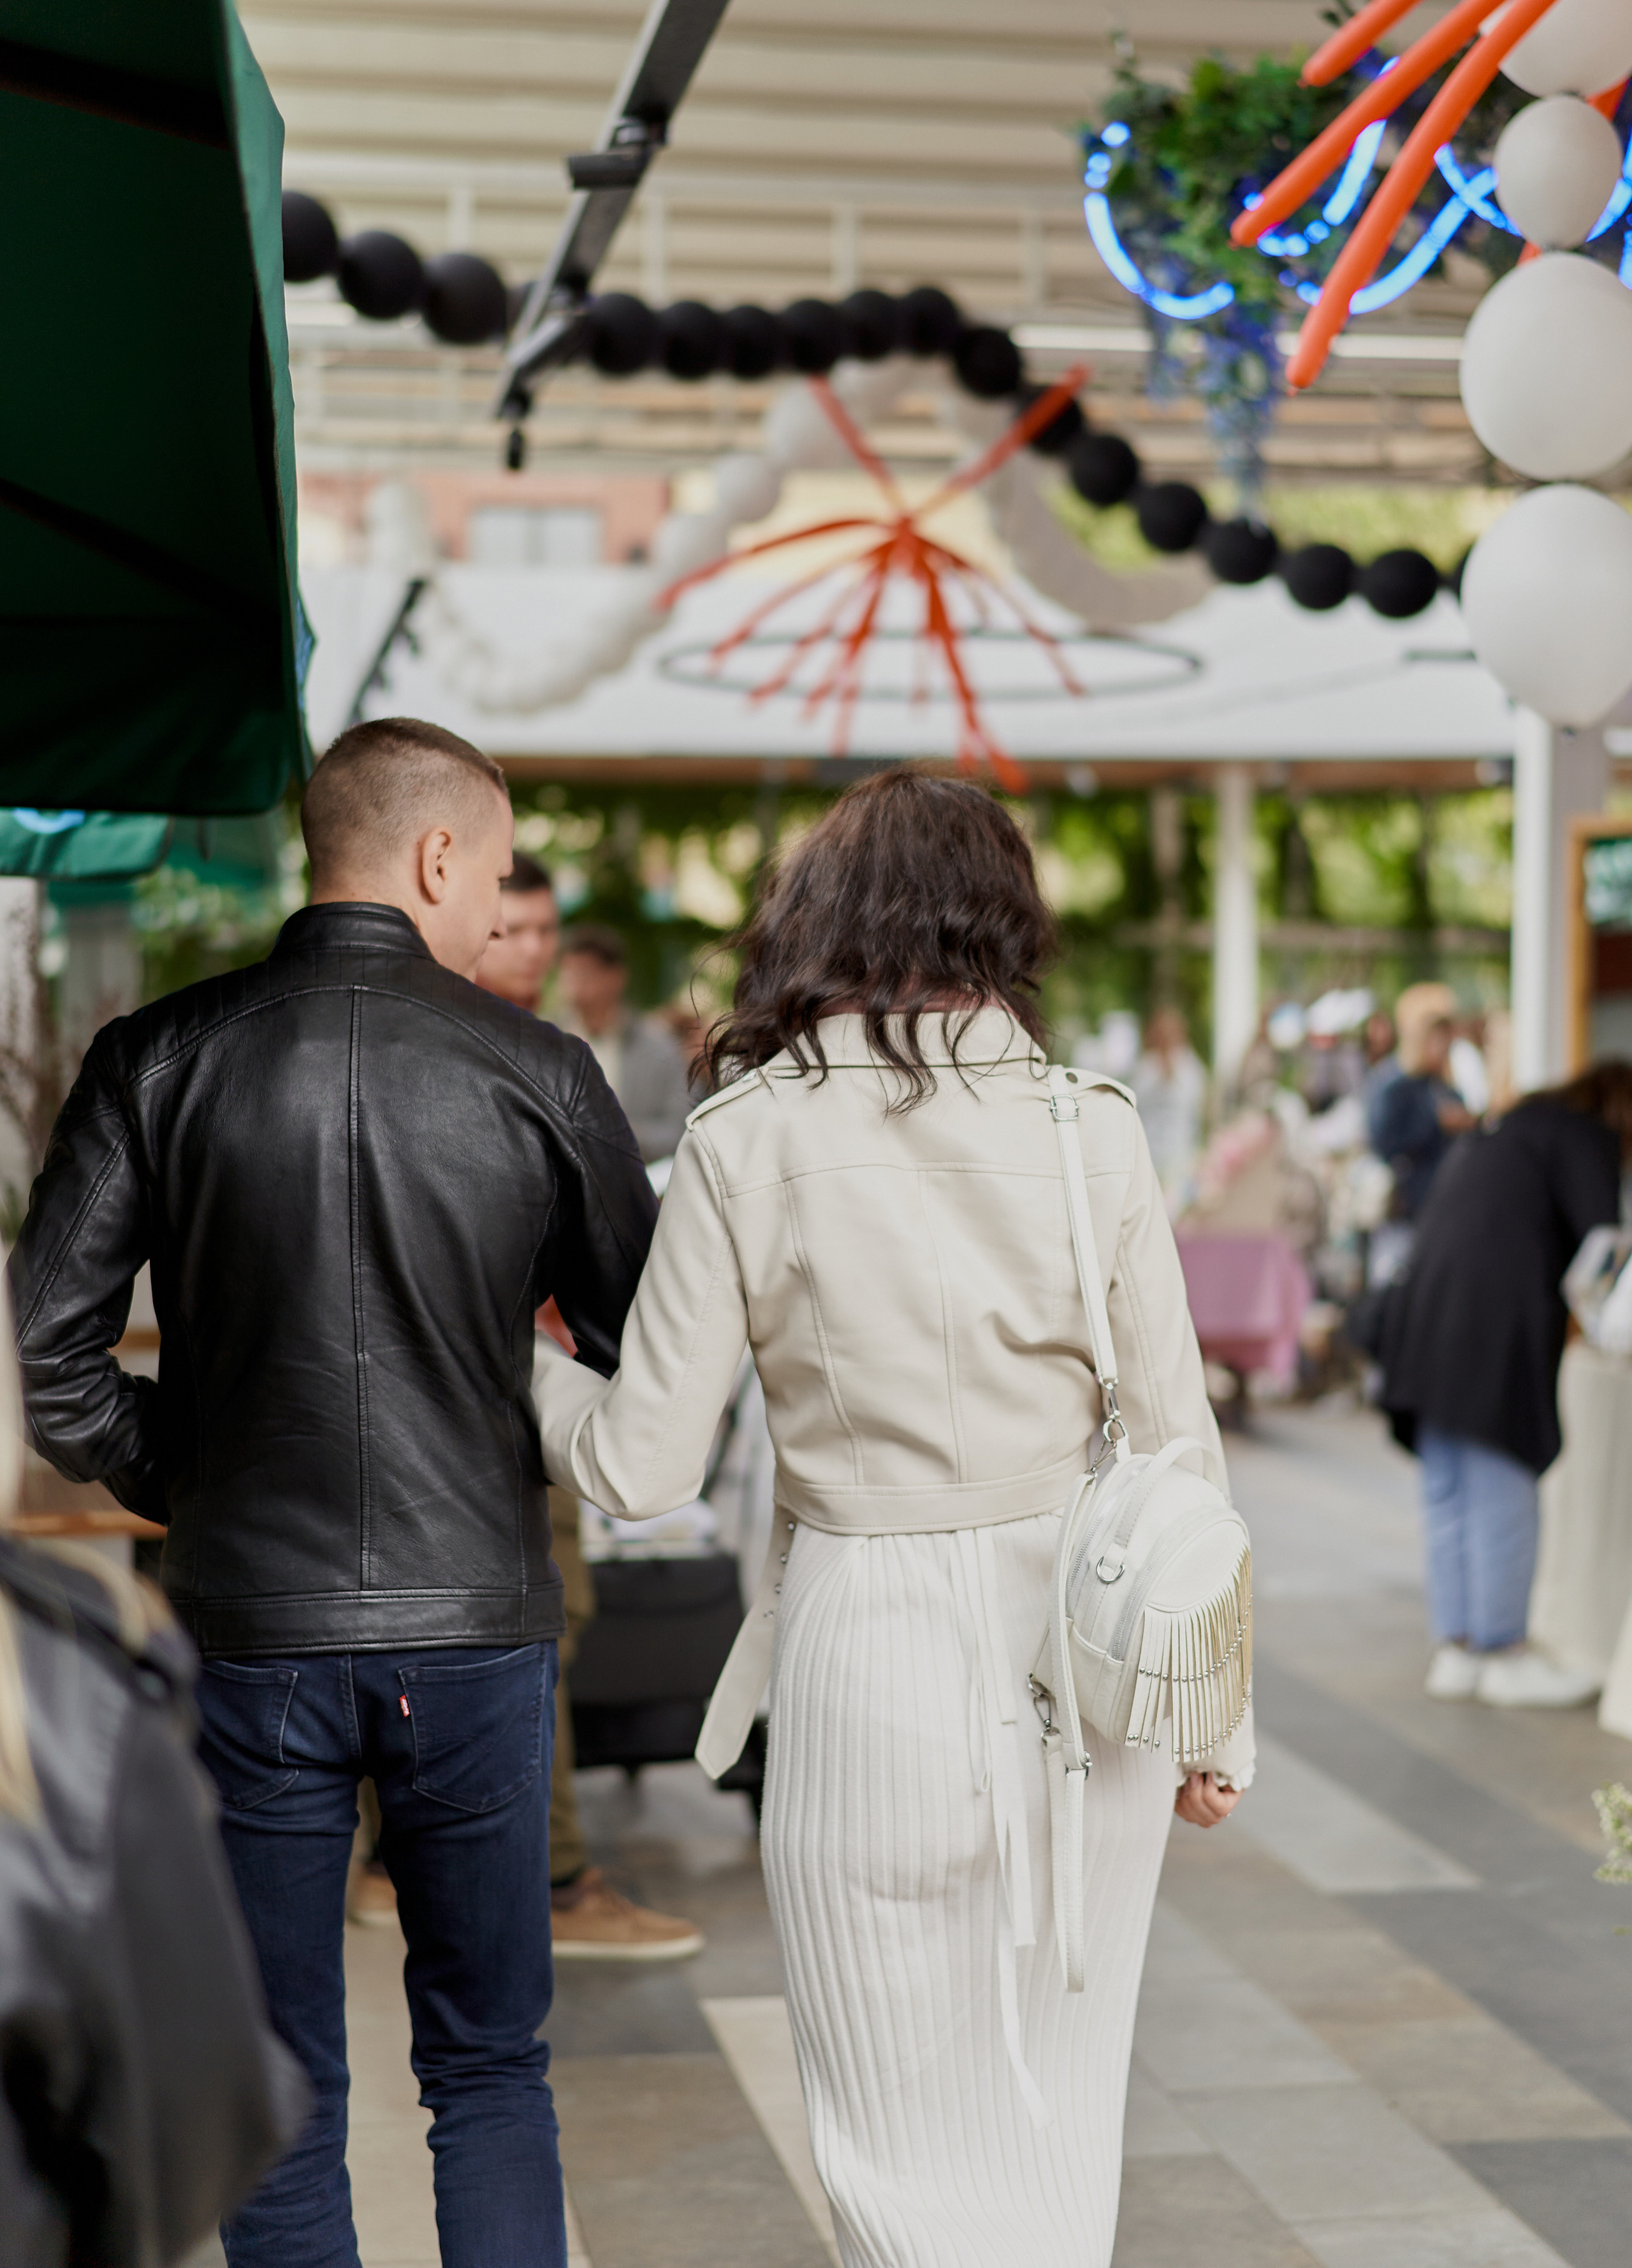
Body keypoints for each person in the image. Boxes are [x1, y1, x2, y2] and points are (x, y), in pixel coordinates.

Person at [536, 767, 1252, 2268]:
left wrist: (513, 1365)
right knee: (1059, 2112)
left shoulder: (745, 1137)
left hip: (866, 1646)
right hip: (1089, 1657)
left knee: (885, 2137)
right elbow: (1177, 1445)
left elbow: (639, 1463)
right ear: (1001, 918)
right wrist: (1211, 1719)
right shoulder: (1087, 1125)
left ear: (813, 920)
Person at [7, 718, 657, 2268]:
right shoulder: (543, 1070)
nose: (503, 911)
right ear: (434, 856)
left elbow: (45, 1358)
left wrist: (193, 1478)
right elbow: (646, 1346)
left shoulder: (155, 1054)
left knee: (279, 2079)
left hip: (248, 1631)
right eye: (497, 879)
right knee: (492, 2066)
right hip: (481, 1636)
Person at [0, 1276, 307, 2259]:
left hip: (257, 1597)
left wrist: (186, 1479)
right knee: (489, 2061)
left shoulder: (67, 1706)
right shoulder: (69, 1709)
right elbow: (189, 2143)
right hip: (463, 1609)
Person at [476, 854, 703, 1963]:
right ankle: (557, 1877)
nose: (528, 949)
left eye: (541, 931)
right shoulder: (523, 1059)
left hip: (521, 1380)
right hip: (510, 1384)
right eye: (508, 926)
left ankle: (414, 1863)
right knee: (542, 1619)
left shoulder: (535, 1054)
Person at [1377, 1060, 1632, 1708]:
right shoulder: (1583, 1137)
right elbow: (1601, 1253)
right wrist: (1605, 1325)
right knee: (1501, 1488)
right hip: (1491, 1327)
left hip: (1429, 1314)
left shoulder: (1505, 1127)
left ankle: (1459, 1647)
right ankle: (1503, 1650)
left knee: (1448, 1490)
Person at [556, 925, 693, 1161]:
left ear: (616, 977)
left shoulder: (658, 1047)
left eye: (585, 973)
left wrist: (618, 1133)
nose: (575, 984)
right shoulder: (549, 1040)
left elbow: (681, 1129)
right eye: (569, 973)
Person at [1366, 982, 1475, 1221]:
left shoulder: (1445, 1087)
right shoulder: (1393, 1085)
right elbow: (1383, 1143)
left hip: (1444, 1201)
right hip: (1409, 1206)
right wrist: (1435, 1123)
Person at [1132, 1003, 1208, 1202]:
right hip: (1149, 1155)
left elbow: (1195, 1103)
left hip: (1182, 1155)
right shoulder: (1145, 1067)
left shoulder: (1190, 1066)